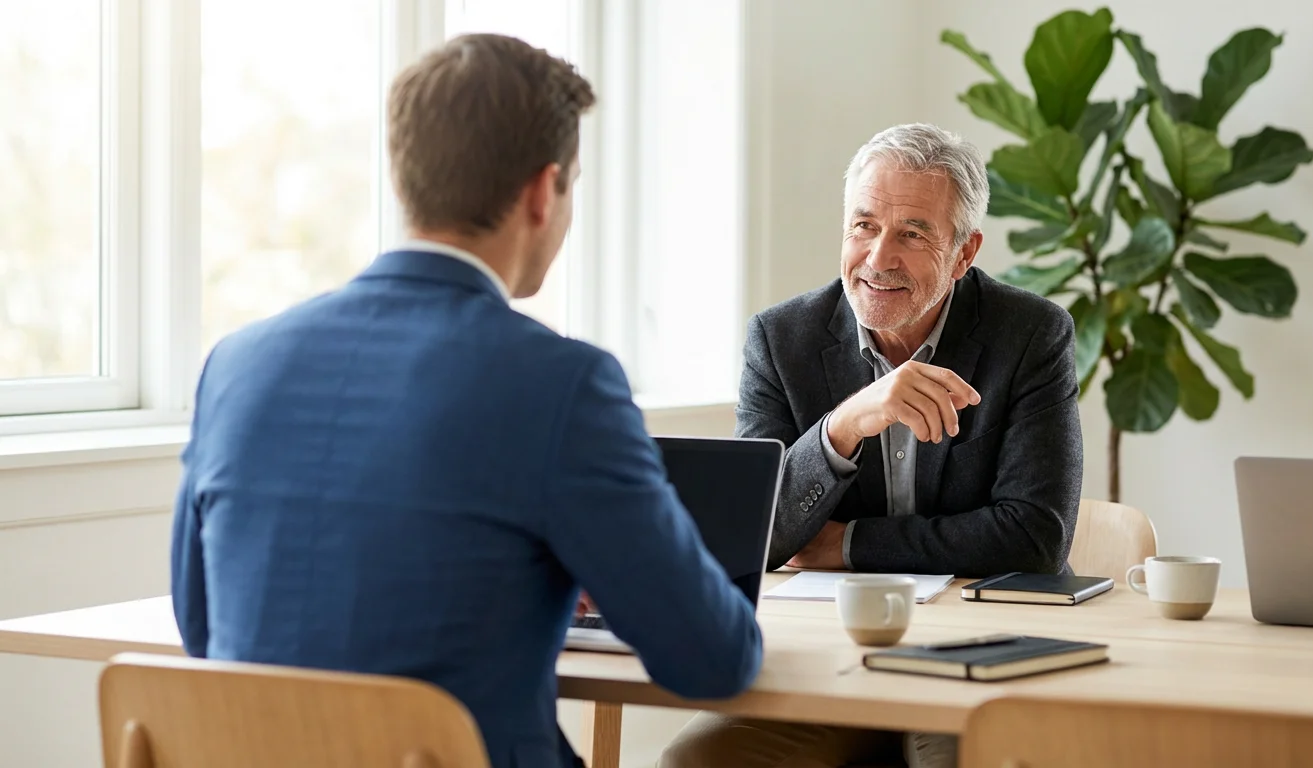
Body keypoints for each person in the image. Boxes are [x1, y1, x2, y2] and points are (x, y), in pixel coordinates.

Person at [171, 34, 762, 768]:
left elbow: (202, 630)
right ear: (544, 192)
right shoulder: (563, 384)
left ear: (405, 176)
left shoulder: (234, 365)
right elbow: (713, 660)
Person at [660, 123, 1083, 768]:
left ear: (964, 253)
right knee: (697, 761)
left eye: (913, 234)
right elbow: (753, 538)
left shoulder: (1030, 334)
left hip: (976, 664)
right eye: (863, 226)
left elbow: (1034, 536)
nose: (879, 257)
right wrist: (842, 427)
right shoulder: (781, 339)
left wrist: (846, 544)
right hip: (827, 668)